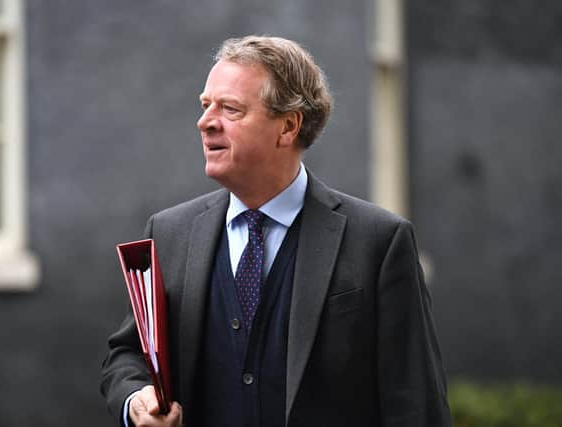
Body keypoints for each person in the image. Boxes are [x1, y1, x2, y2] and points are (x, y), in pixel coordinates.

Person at [101, 35, 451, 427]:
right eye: (205, 106)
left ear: (287, 126)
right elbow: (128, 353)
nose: (205, 121)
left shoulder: (379, 242)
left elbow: (415, 404)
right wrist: (136, 401)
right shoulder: (168, 234)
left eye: (229, 109)